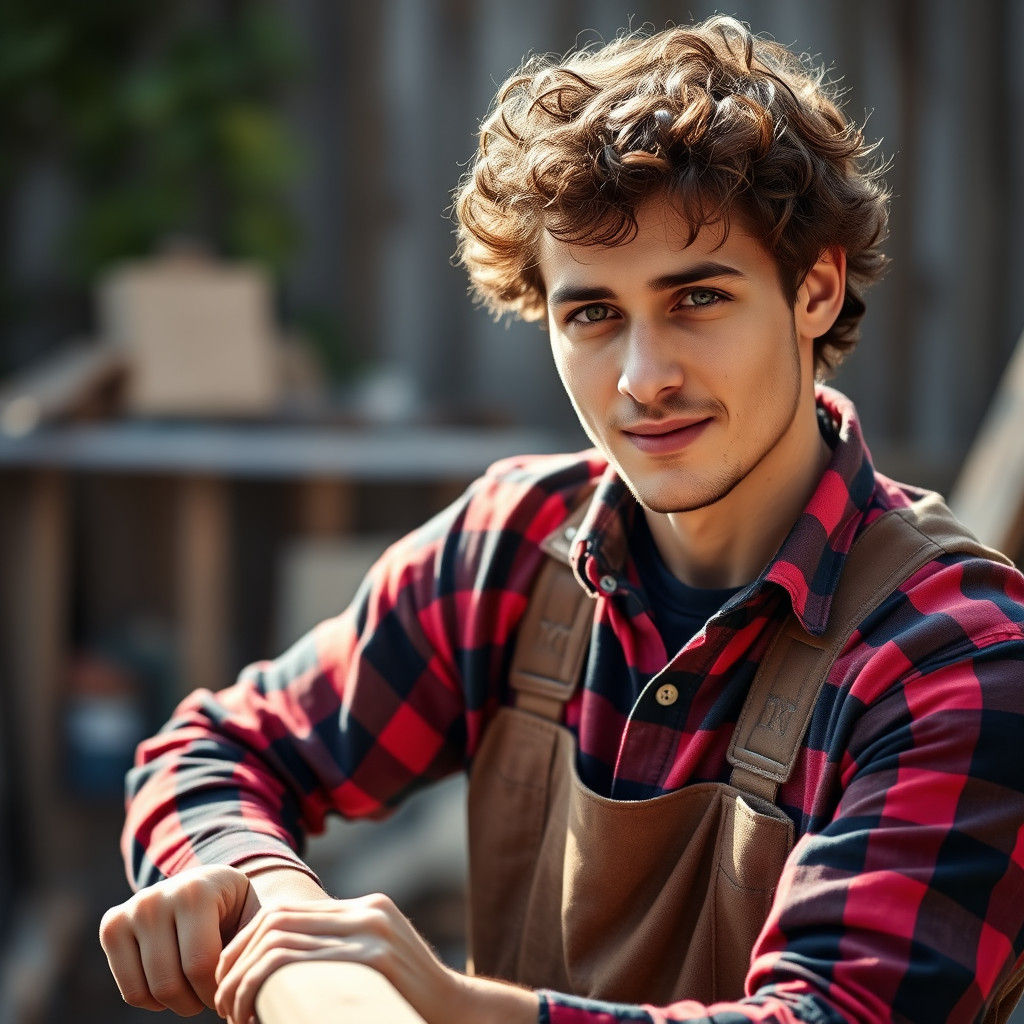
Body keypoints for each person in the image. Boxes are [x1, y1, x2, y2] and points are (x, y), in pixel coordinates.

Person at [99, 15, 1024, 1024]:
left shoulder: (955, 658)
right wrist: (259, 897)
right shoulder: (511, 549)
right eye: (592, 315)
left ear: (814, 288)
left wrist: (459, 1010)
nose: (642, 378)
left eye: (697, 298)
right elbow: (219, 746)